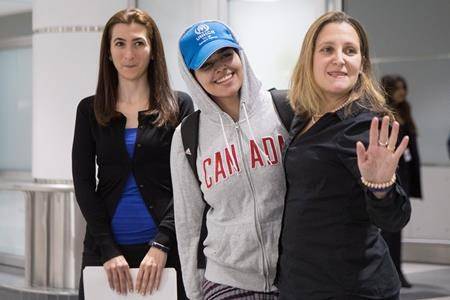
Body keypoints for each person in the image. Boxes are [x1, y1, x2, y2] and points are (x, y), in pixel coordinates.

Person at [276, 12, 411, 299]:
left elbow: (394, 218)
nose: (340, 59)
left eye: (350, 51)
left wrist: (381, 188)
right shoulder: (303, 117)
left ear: (362, 63)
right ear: (309, 58)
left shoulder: (363, 125)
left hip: (350, 288)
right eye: (328, 49)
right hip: (302, 282)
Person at [71, 8, 193, 299]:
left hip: (166, 254)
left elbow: (189, 184)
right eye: (120, 43)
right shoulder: (90, 110)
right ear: (108, 53)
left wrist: (162, 244)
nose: (129, 54)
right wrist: (107, 249)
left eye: (139, 43)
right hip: (106, 254)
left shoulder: (179, 106)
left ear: (152, 50)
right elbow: (84, 183)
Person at [171, 21, 290, 299]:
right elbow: (188, 221)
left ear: (240, 54)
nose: (221, 68)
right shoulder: (187, 136)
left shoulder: (284, 111)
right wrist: (194, 290)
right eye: (206, 64)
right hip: (226, 281)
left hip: (294, 277)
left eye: (226, 55)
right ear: (193, 76)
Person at [381, 74, 422, 288]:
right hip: (391, 175)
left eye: (403, 87)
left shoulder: (405, 111)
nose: (402, 92)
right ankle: (392, 271)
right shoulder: (382, 114)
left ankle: (397, 270)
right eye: (398, 88)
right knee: (390, 229)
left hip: (405, 174)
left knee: (397, 227)